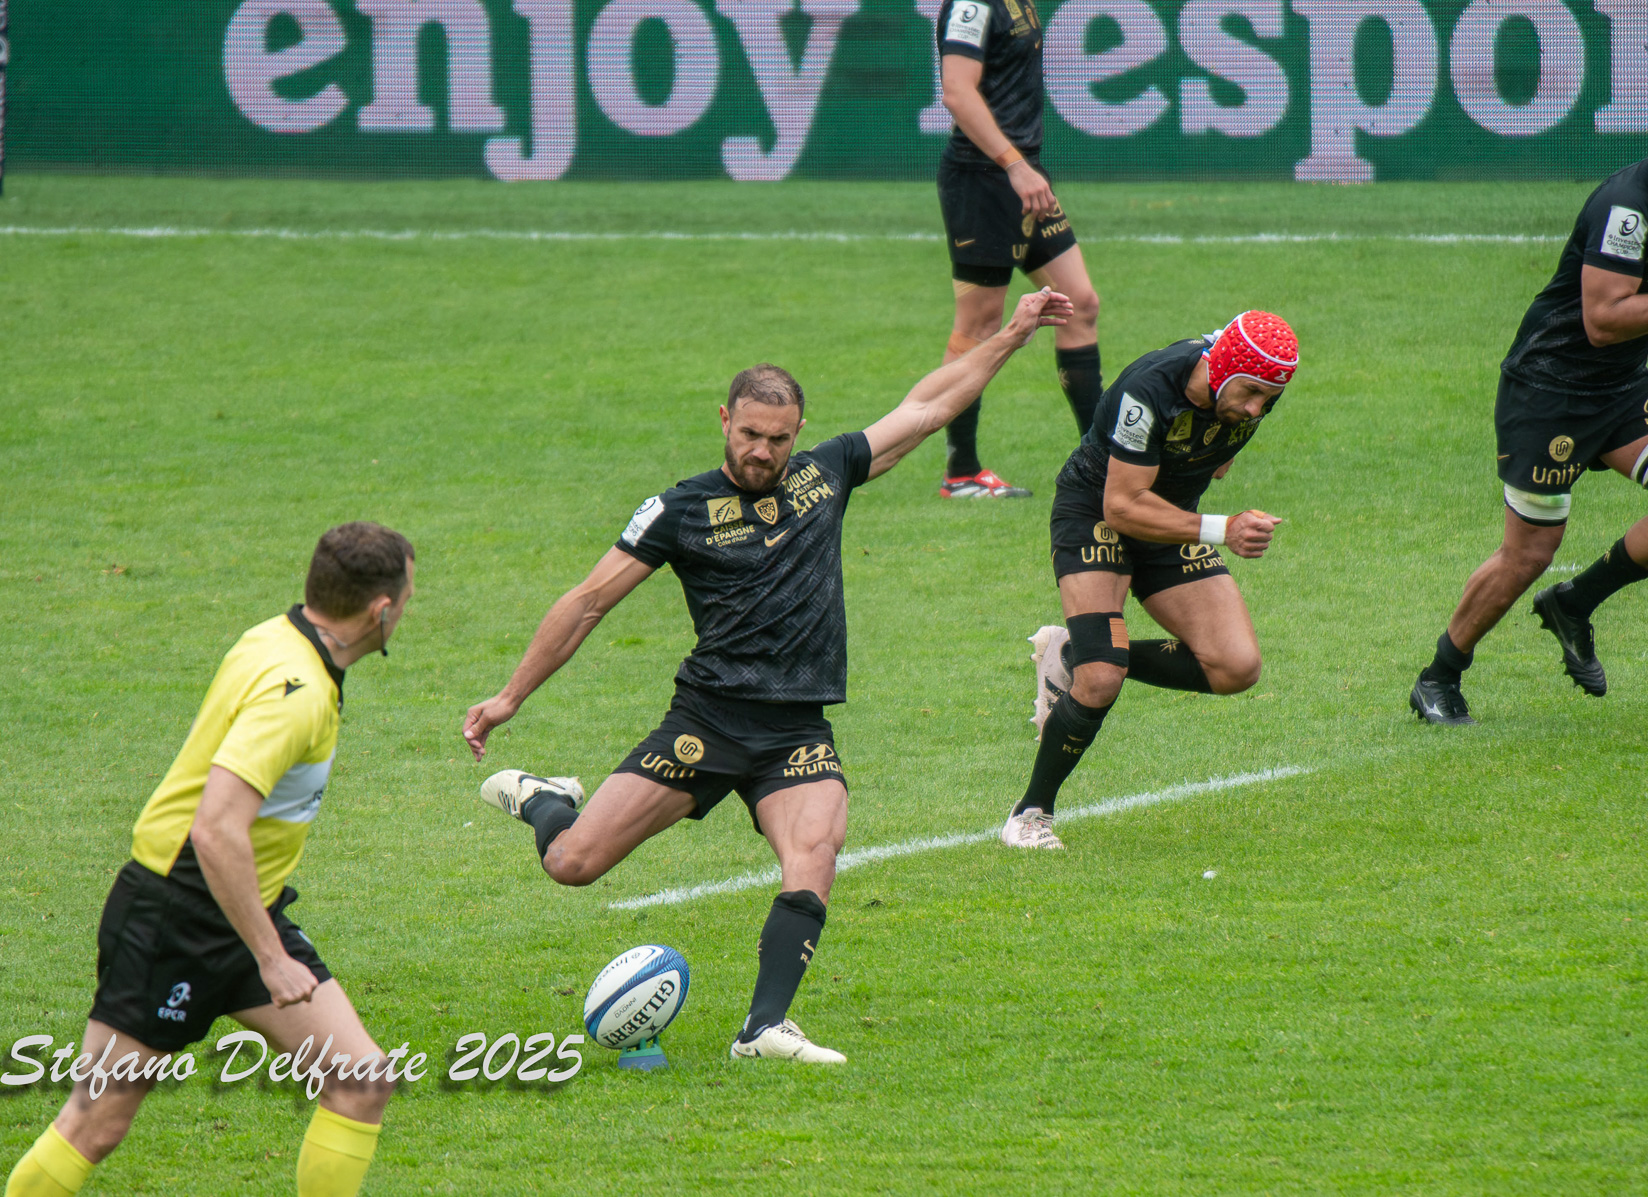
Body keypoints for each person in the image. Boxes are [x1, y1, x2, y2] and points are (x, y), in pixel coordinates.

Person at [463, 289, 1072, 1062]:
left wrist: (1013, 334)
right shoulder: (679, 510)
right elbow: (586, 603)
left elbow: (924, 408)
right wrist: (510, 697)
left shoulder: (825, 477)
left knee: (815, 849)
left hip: (796, 730)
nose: (762, 451)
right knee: (573, 863)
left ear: (799, 433)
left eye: (778, 438)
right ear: (724, 421)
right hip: (707, 723)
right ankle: (545, 799)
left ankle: (762, 1028)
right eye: (750, 434)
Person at [6, 523, 416, 1197]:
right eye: (408, 593)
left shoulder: (275, 636)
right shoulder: (299, 692)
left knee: (360, 1080)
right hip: (177, 914)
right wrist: (270, 955)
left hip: (245, 903)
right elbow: (215, 828)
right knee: (93, 1123)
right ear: (381, 609)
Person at [1007, 312, 1299, 849]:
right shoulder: (1150, 388)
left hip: (1168, 518)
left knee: (1236, 666)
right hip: (1096, 509)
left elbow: (1216, 461)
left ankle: (1074, 651)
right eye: (1252, 392)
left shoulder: (1254, 392)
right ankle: (1029, 815)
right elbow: (1121, 506)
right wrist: (1223, 528)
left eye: (1269, 397)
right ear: (1225, 366)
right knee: (1101, 679)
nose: (1257, 407)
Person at [1411, 159, 1648, 724]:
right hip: (1550, 391)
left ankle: (1576, 601)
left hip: (1623, 389)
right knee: (1529, 554)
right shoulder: (1629, 207)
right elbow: (1605, 318)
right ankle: (1438, 677)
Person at [932, 0, 1103, 498]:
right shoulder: (971, 4)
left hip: (1021, 176)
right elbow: (957, 92)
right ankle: (961, 472)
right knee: (979, 326)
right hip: (985, 182)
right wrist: (1013, 165)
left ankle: (1099, 464)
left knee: (1079, 304)